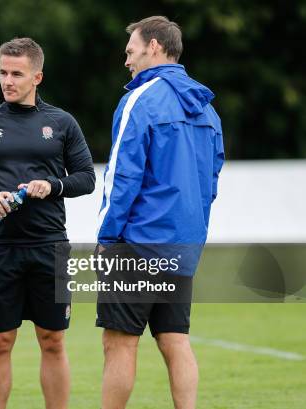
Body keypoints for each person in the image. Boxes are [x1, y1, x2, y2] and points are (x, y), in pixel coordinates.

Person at [0, 37, 95, 409]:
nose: (8, 80)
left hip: (49, 246)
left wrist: (54, 185)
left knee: (52, 340)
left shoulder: (61, 123)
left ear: (37, 77)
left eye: (17, 73)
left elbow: (86, 178)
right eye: (3, 72)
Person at [95, 16, 224, 409]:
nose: (127, 61)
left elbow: (122, 177)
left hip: (135, 245)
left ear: (154, 46)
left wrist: (105, 238)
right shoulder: (207, 109)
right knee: (175, 340)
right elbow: (212, 180)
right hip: (182, 244)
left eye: (131, 51)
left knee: (118, 343)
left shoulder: (141, 99)